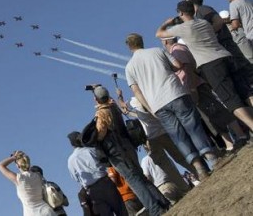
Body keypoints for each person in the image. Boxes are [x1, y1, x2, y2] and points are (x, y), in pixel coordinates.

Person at [124, 33, 217, 180]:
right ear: (141, 42)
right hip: (174, 92)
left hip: (157, 104)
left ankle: (198, 166)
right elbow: (177, 65)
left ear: (129, 47)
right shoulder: (157, 51)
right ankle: (211, 156)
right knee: (192, 126)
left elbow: (137, 91)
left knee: (177, 135)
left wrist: (149, 108)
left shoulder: (129, 68)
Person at [157, 1, 253, 131]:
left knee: (231, 100)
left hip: (210, 64)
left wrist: (166, 23)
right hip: (226, 56)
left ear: (180, 13)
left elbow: (159, 34)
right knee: (246, 92)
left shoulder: (183, 28)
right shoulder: (204, 23)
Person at [91, 86, 169, 215]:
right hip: (128, 145)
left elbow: (101, 133)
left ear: (96, 99)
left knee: (134, 181)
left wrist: (94, 138)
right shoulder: (114, 107)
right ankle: (162, 202)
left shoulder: (101, 113)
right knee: (140, 177)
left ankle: (155, 210)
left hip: (117, 151)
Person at [161, 36, 249, 152]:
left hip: (196, 86)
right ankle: (229, 143)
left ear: (165, 41)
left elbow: (188, 69)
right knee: (211, 116)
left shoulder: (177, 50)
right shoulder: (176, 50)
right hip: (194, 86)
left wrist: (193, 89)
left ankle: (240, 134)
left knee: (216, 110)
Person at [181, 0, 253, 102]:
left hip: (226, 46)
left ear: (191, 2)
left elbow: (218, 22)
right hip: (223, 48)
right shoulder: (199, 14)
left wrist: (207, 35)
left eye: (186, 1)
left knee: (245, 78)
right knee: (241, 86)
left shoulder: (203, 10)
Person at [67, 131, 127, 216]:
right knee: (121, 211)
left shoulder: (71, 161)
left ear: (72, 145)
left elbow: (75, 178)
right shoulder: (91, 150)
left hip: (92, 191)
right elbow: (104, 162)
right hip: (105, 183)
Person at [0, 151, 56, 216]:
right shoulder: (38, 175)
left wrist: (14, 157)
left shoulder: (19, 179)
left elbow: (0, 165)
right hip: (48, 211)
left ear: (18, 165)